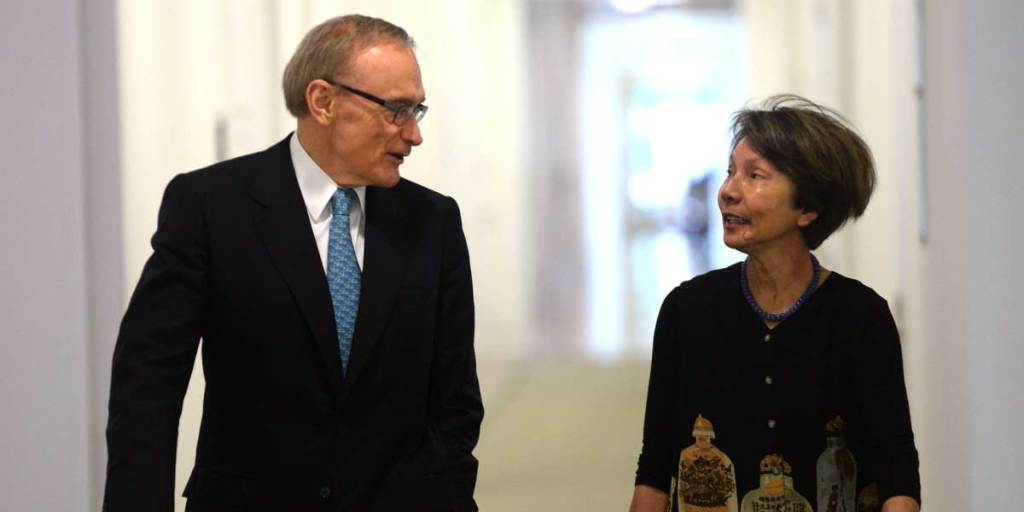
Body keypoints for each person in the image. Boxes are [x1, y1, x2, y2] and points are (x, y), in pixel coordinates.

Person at [103, 15, 483, 512]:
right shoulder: (210, 208)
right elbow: (147, 389)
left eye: (417, 111)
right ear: (323, 101)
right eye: (396, 110)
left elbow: (456, 401)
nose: (413, 134)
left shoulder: (433, 221)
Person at [629, 95, 920, 512]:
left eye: (755, 176)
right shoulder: (686, 311)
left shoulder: (860, 317)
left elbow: (897, 474)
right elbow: (654, 472)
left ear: (809, 207)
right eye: (730, 172)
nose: (728, 192)